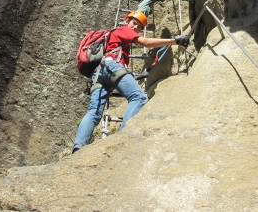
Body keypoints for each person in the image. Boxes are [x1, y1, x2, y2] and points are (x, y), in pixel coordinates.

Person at [72, 10, 189, 152]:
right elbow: (145, 42)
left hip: (98, 73)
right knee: (139, 98)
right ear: (126, 21)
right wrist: (174, 41)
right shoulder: (124, 29)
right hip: (111, 65)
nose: (135, 28)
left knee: (94, 112)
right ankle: (122, 139)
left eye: (139, 27)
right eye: (134, 23)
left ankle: (78, 147)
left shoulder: (114, 35)